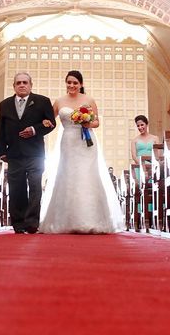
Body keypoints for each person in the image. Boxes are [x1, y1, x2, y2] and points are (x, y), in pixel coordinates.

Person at [40, 70, 125, 234]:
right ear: (66, 83)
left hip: (86, 142)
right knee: (68, 176)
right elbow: (50, 121)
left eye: (75, 83)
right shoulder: (59, 101)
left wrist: (87, 123)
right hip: (68, 142)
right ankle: (65, 220)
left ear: (81, 84)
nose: (71, 85)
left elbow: (96, 122)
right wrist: (43, 122)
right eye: (69, 82)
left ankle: (92, 219)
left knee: (87, 176)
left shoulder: (88, 100)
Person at [0, 72, 56, 234]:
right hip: (14, 153)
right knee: (17, 188)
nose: (22, 85)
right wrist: (1, 151)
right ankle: (18, 223)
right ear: (14, 86)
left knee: (35, 186)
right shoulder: (5, 104)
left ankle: (32, 222)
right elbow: (1, 128)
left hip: (35, 153)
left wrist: (34, 129)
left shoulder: (42, 101)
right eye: (18, 83)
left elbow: (51, 124)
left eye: (25, 82)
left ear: (31, 85)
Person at [130, 115, 160, 182]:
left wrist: (152, 166)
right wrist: (143, 166)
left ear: (146, 124)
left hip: (152, 166)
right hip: (140, 167)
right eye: (138, 126)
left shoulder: (155, 138)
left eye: (142, 125)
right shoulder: (134, 140)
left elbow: (158, 154)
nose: (140, 127)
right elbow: (134, 156)